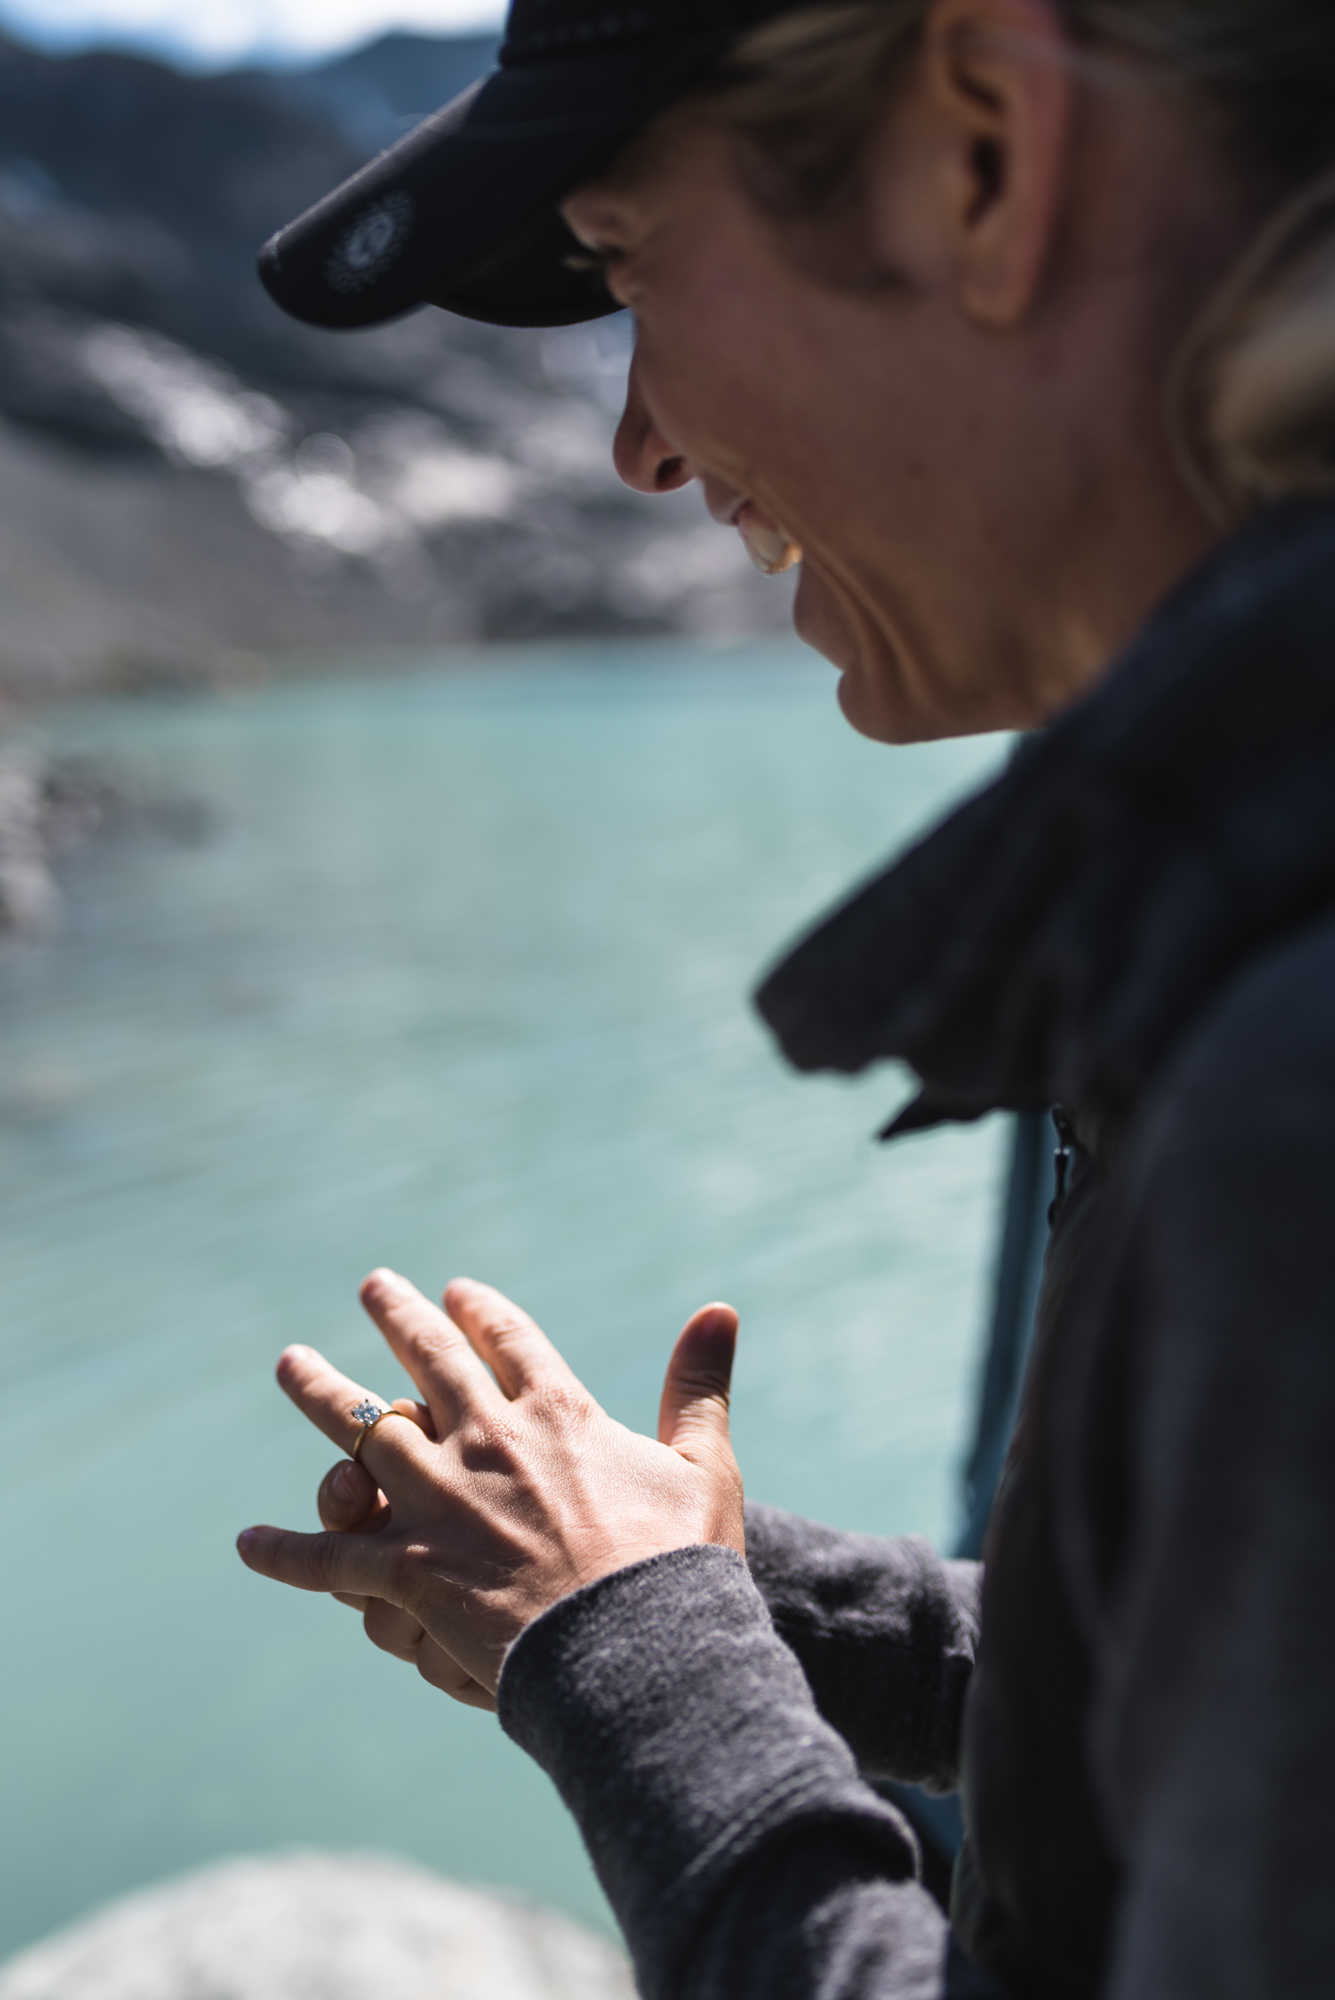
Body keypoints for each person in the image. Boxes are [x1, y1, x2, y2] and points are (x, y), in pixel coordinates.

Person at [237, 2, 1335, 1993]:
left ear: (981, 154)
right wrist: (740, 1599)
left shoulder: (1290, 1083)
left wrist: (633, 1652)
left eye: (633, 262)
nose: (635, 442)